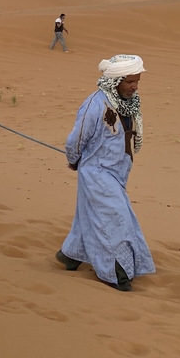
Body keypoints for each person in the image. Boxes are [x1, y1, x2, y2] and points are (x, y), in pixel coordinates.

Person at [55, 54, 155, 291]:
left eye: (137, 81)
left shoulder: (130, 102)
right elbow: (76, 139)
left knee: (89, 216)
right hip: (97, 172)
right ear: (116, 80)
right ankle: (117, 274)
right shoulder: (95, 104)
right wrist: (74, 160)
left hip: (118, 173)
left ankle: (70, 256)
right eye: (130, 81)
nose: (135, 86)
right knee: (116, 219)